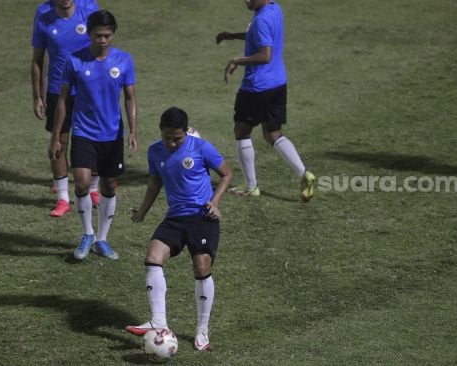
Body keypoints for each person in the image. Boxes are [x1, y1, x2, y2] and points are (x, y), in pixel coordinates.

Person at [125, 107, 232, 351]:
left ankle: (202, 331)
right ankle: (158, 320)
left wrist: (215, 202)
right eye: (167, 138)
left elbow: (226, 174)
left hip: (202, 217)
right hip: (174, 218)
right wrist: (143, 211)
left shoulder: (201, 147)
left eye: (177, 138)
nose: (172, 143)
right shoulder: (155, 151)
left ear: (186, 132)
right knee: (153, 257)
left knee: (202, 266)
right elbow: (155, 181)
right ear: (161, 132)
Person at [48, 9, 138, 260]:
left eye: (107, 36)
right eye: (98, 35)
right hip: (84, 132)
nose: (103, 40)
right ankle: (87, 233)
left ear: (113, 35)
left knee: (109, 184)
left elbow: (130, 98)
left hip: (111, 135)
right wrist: (56, 136)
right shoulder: (74, 61)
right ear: (88, 34)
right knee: (83, 183)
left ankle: (102, 239)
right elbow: (63, 100)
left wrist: (133, 131)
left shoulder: (124, 61)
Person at [216, 0, 315, 202]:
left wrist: (236, 61)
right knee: (273, 133)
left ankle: (251, 186)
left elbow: (265, 54)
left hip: (257, 88)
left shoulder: (261, 19)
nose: (246, 0)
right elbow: (260, 39)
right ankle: (304, 174)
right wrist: (232, 36)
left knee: (242, 131)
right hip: (278, 84)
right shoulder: (274, 8)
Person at [31, 0, 100, 217]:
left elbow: (101, 49)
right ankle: (62, 198)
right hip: (57, 91)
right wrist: (37, 96)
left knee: (94, 138)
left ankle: (95, 189)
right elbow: (37, 60)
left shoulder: (89, 11)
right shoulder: (43, 16)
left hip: (88, 88)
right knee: (59, 140)